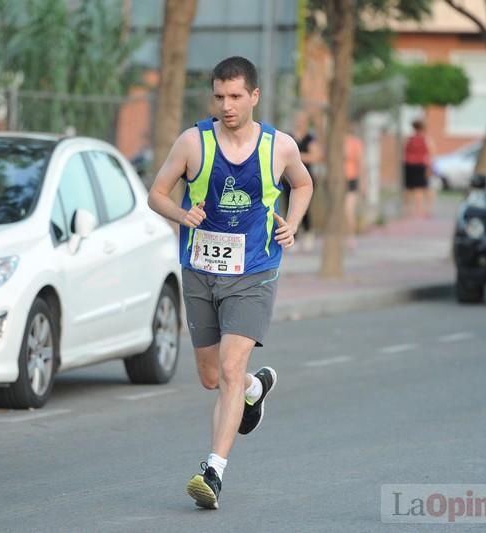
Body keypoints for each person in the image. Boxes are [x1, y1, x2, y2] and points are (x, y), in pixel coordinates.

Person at [147, 56, 313, 510]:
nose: (227, 105)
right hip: (200, 270)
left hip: (254, 271)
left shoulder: (279, 147)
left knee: (229, 369)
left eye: (236, 96)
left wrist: (292, 225)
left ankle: (213, 471)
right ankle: (255, 390)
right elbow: (156, 193)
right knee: (210, 377)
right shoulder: (192, 142)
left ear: (254, 96)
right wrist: (183, 214)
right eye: (220, 96)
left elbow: (303, 183)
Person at [283, 110, 321, 251]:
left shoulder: (310, 138)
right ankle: (294, 237)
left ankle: (308, 233)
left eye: (303, 121)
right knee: (289, 206)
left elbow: (315, 156)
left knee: (305, 207)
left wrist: (295, 157)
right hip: (287, 178)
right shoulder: (289, 137)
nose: (300, 123)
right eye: (298, 120)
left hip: (305, 178)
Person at [403, 118, 433, 218]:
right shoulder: (425, 139)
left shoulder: (409, 139)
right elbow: (430, 153)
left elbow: (404, 151)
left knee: (408, 189)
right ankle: (419, 211)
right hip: (420, 165)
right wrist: (429, 167)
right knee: (419, 189)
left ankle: (408, 210)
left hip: (409, 165)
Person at [344, 125, 363, 249]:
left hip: (351, 179)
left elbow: (360, 162)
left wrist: (362, 183)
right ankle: (342, 237)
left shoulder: (355, 143)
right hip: (337, 182)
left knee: (349, 210)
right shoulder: (336, 142)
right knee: (339, 212)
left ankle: (351, 237)